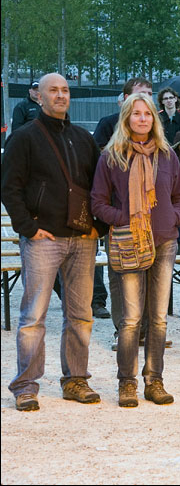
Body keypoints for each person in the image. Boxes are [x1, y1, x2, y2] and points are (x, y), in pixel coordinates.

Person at [2, 73, 105, 412]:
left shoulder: (82, 138)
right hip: (43, 238)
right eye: (53, 91)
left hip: (82, 239)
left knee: (81, 315)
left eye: (65, 91)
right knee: (34, 315)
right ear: (39, 97)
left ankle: (76, 379)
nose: (60, 96)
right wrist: (27, 227)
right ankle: (26, 385)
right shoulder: (24, 137)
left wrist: (98, 227)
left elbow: (99, 187)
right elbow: (9, 186)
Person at [90, 93, 180, 407]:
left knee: (158, 319)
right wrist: (123, 219)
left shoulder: (167, 155)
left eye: (148, 114)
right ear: (126, 119)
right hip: (129, 242)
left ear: (155, 119)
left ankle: (154, 380)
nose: (143, 119)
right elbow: (97, 203)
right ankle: (127, 383)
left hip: (163, 242)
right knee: (131, 319)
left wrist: (171, 218)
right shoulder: (112, 156)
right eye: (136, 114)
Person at [93, 77, 154, 321]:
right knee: (120, 277)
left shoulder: (155, 130)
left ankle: (148, 327)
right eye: (141, 93)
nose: (146, 97)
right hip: (119, 217)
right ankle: (124, 328)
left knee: (152, 277)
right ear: (126, 98)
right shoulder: (108, 124)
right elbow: (99, 162)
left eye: (150, 93)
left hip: (151, 219)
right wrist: (118, 216)